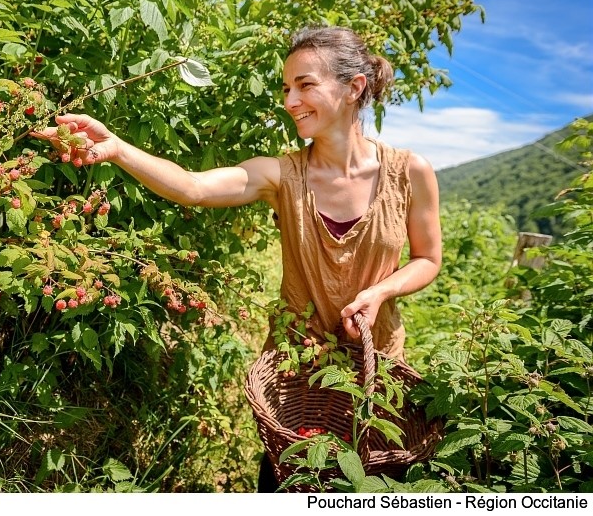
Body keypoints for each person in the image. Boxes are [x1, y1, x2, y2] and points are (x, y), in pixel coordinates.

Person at [31, 25, 442, 492]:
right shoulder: (281, 175)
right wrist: (119, 150)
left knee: (370, 487)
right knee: (288, 481)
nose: (290, 101)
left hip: (376, 366)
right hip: (296, 369)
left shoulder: (410, 172)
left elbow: (427, 258)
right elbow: (193, 187)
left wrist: (380, 291)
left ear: (354, 87)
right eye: (287, 88)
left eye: (305, 85)